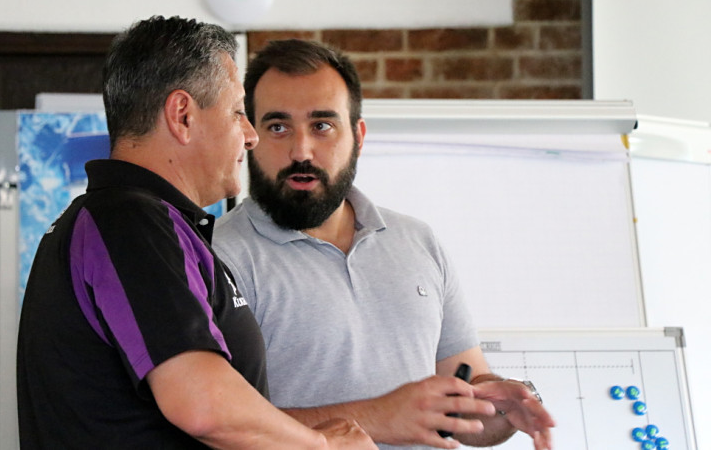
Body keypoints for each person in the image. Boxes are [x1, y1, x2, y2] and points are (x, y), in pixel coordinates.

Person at [16, 16, 377, 450]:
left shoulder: (141, 223)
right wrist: (323, 447)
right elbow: (203, 404)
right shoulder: (129, 222)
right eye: (238, 112)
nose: (250, 136)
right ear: (182, 115)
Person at [213, 39, 556, 450]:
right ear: (250, 136)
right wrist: (378, 416)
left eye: (322, 126)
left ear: (358, 136)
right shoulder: (215, 257)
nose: (301, 150)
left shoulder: (418, 241)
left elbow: (465, 406)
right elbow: (215, 428)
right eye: (278, 127)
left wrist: (500, 406)